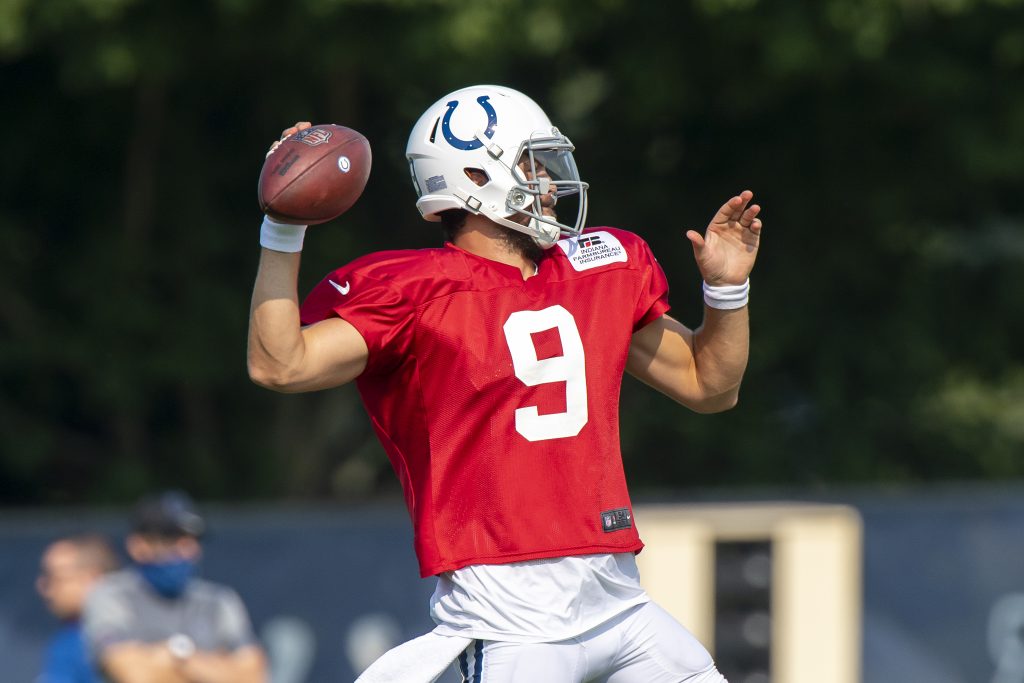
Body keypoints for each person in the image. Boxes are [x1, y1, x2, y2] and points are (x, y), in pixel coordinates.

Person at [248, 84, 763, 682]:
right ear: (474, 175)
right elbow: (279, 365)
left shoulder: (599, 266)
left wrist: (727, 291)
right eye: (531, 165)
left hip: (620, 601)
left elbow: (710, 386)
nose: (550, 182)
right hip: (508, 614)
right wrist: (283, 230)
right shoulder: (416, 291)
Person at [81, 490, 268, 683]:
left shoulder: (219, 600)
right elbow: (135, 675)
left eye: (192, 540)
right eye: (171, 538)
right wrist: (216, 667)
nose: (186, 550)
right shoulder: (111, 594)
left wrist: (175, 656)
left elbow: (253, 677)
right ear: (139, 545)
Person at [37, 533, 119, 683]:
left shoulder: (123, 636)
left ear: (92, 579)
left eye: (54, 577)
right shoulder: (67, 638)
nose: (42, 587)